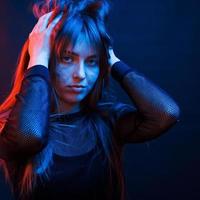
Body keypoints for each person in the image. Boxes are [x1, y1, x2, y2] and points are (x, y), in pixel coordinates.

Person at [0, 0, 180, 199]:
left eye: (92, 62)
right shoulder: (11, 126)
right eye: (67, 58)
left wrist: (110, 58)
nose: (81, 74)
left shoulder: (107, 120)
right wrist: (38, 57)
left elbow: (166, 113)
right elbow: (30, 136)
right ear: (46, 59)